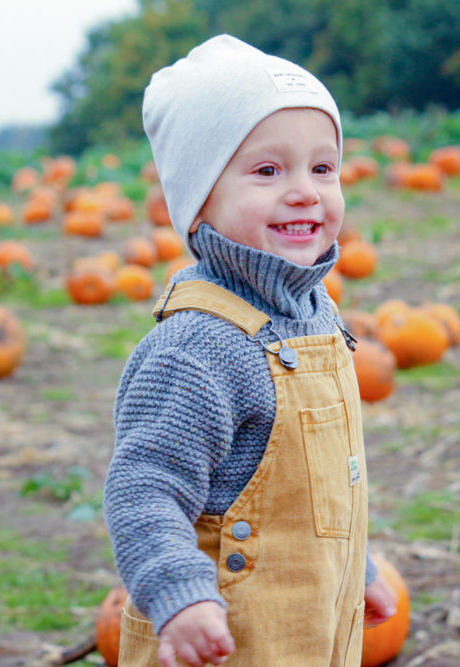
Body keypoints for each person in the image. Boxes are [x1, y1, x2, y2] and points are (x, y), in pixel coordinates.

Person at [104, 34, 397, 667]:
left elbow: (318, 496)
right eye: (268, 171)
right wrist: (179, 596)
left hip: (312, 629)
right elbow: (145, 487)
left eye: (323, 168)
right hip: (226, 641)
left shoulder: (316, 313)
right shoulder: (197, 347)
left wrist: (354, 568)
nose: (304, 191)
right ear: (198, 201)